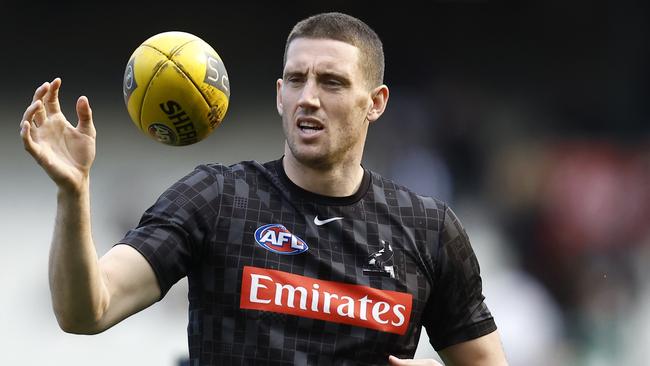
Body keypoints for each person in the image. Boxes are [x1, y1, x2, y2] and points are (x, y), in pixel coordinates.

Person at [20, 12, 508, 365]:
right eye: (296, 80)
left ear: (375, 102)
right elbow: (86, 311)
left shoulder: (427, 229)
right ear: (280, 95)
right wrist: (73, 192)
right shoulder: (216, 198)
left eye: (332, 82)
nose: (309, 98)